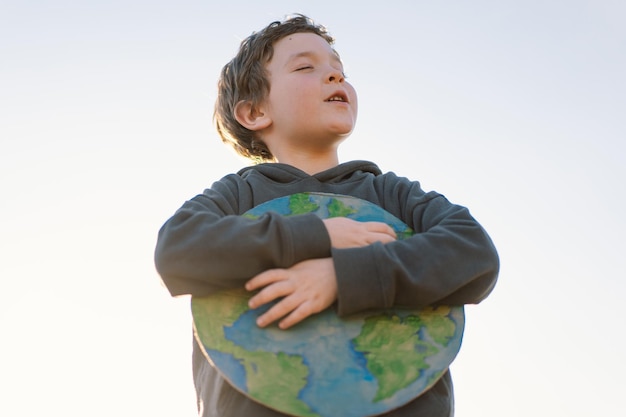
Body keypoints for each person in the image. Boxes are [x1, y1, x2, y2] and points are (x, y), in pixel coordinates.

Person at [154, 14, 499, 417]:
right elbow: (178, 249)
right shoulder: (239, 194)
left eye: (340, 70)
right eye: (306, 67)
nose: (336, 78)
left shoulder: (389, 191)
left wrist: (343, 276)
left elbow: (472, 251)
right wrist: (318, 235)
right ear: (254, 113)